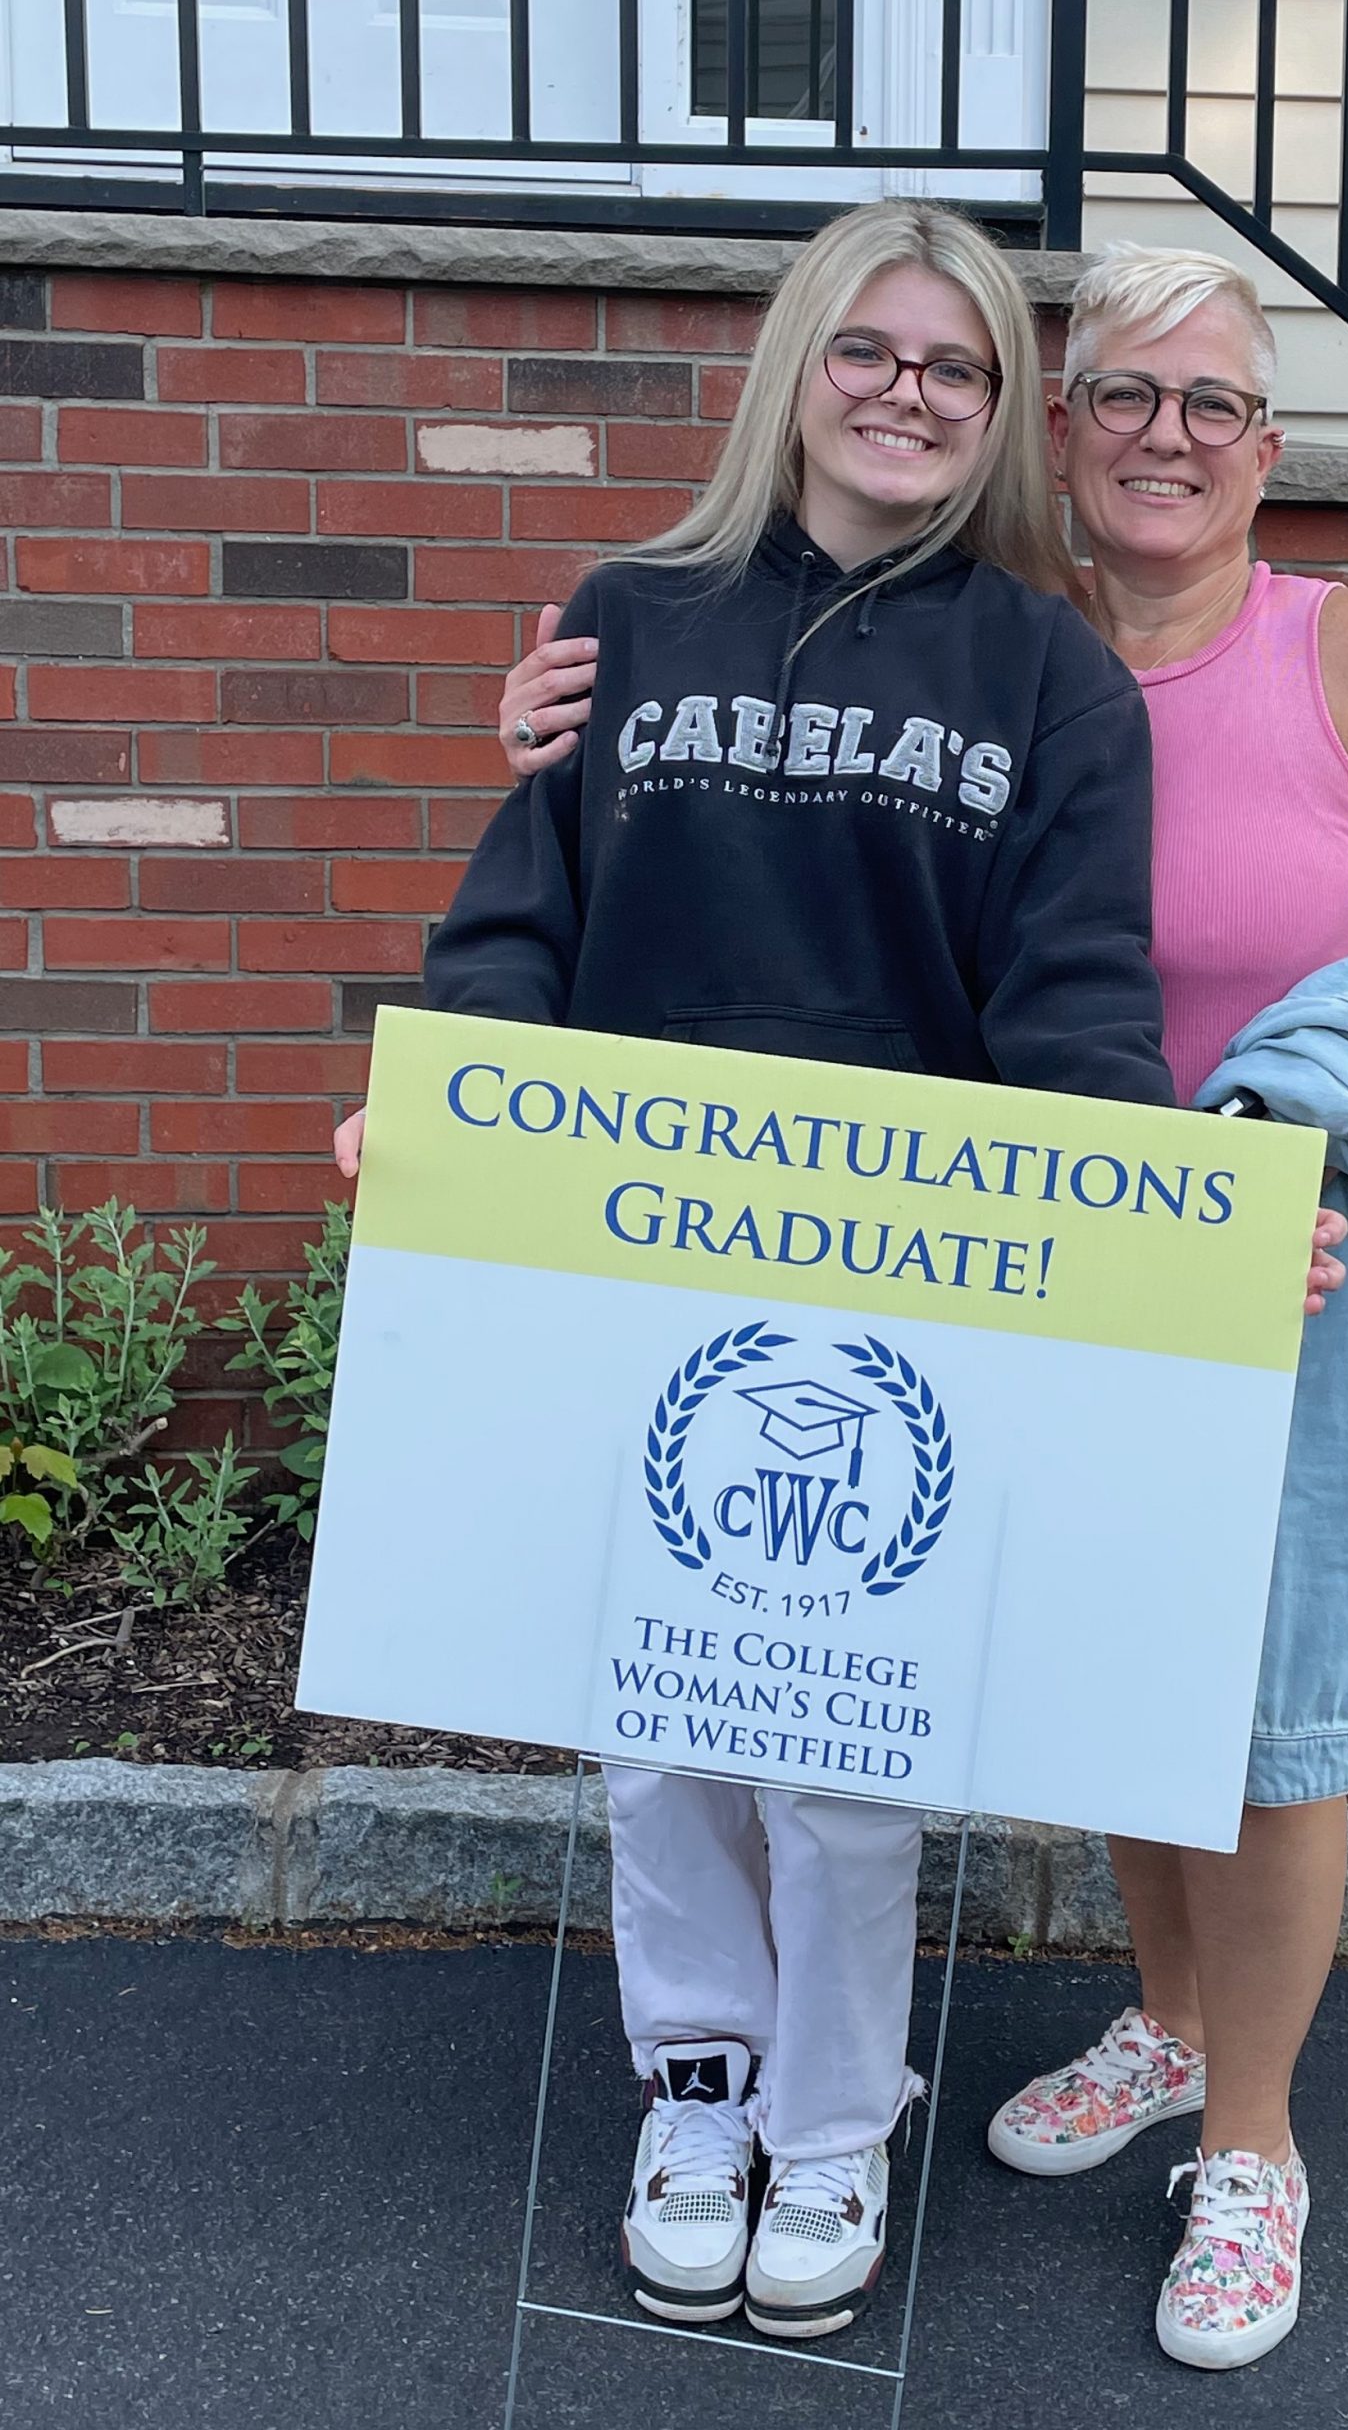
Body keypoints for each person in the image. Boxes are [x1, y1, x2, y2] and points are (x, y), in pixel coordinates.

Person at [485, 241, 1348, 2372]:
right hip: (859, 1251)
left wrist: (1218, 1183)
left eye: (1213, 404)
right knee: (1033, 1684)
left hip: (1217, 1244)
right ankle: (1041, 2039)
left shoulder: (1294, 656)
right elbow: (568, 891)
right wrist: (472, 1034)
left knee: (1199, 1724)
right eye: (1124, 394)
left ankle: (1200, 2138)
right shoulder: (826, 625)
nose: (1166, 435)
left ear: (1265, 445)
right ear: (1065, 426)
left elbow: (1142, 988)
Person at [333, 199, 1238, 2347]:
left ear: (997, 411)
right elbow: (520, 927)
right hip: (631, 1262)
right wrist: (448, 1127)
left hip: (908, 1283)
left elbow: (1077, 1000)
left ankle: (833, 2116)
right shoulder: (628, 621)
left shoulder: (1047, 674)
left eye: (957, 367)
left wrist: (1165, 1240)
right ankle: (697, 2091)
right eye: (871, 351)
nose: (909, 393)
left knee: (842, 1750)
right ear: (797, 367)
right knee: (654, 1729)